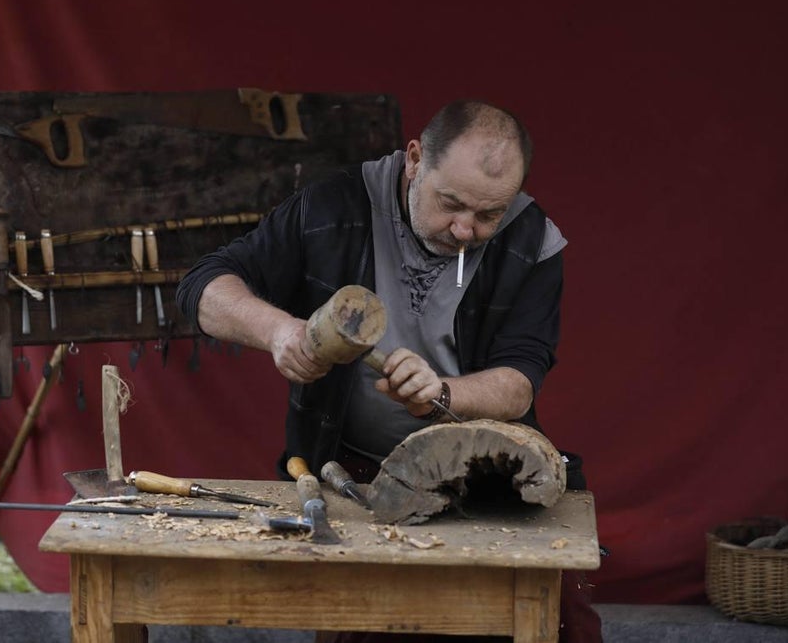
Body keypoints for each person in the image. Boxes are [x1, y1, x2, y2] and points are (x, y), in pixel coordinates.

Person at [176, 99, 600, 642]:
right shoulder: (332, 206)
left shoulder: (533, 239)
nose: (466, 229)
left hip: (490, 472)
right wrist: (280, 331)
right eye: (451, 204)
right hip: (356, 473)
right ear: (415, 160)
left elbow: (520, 380)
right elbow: (204, 286)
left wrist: (444, 392)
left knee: (562, 620)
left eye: (488, 214)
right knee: (374, 621)